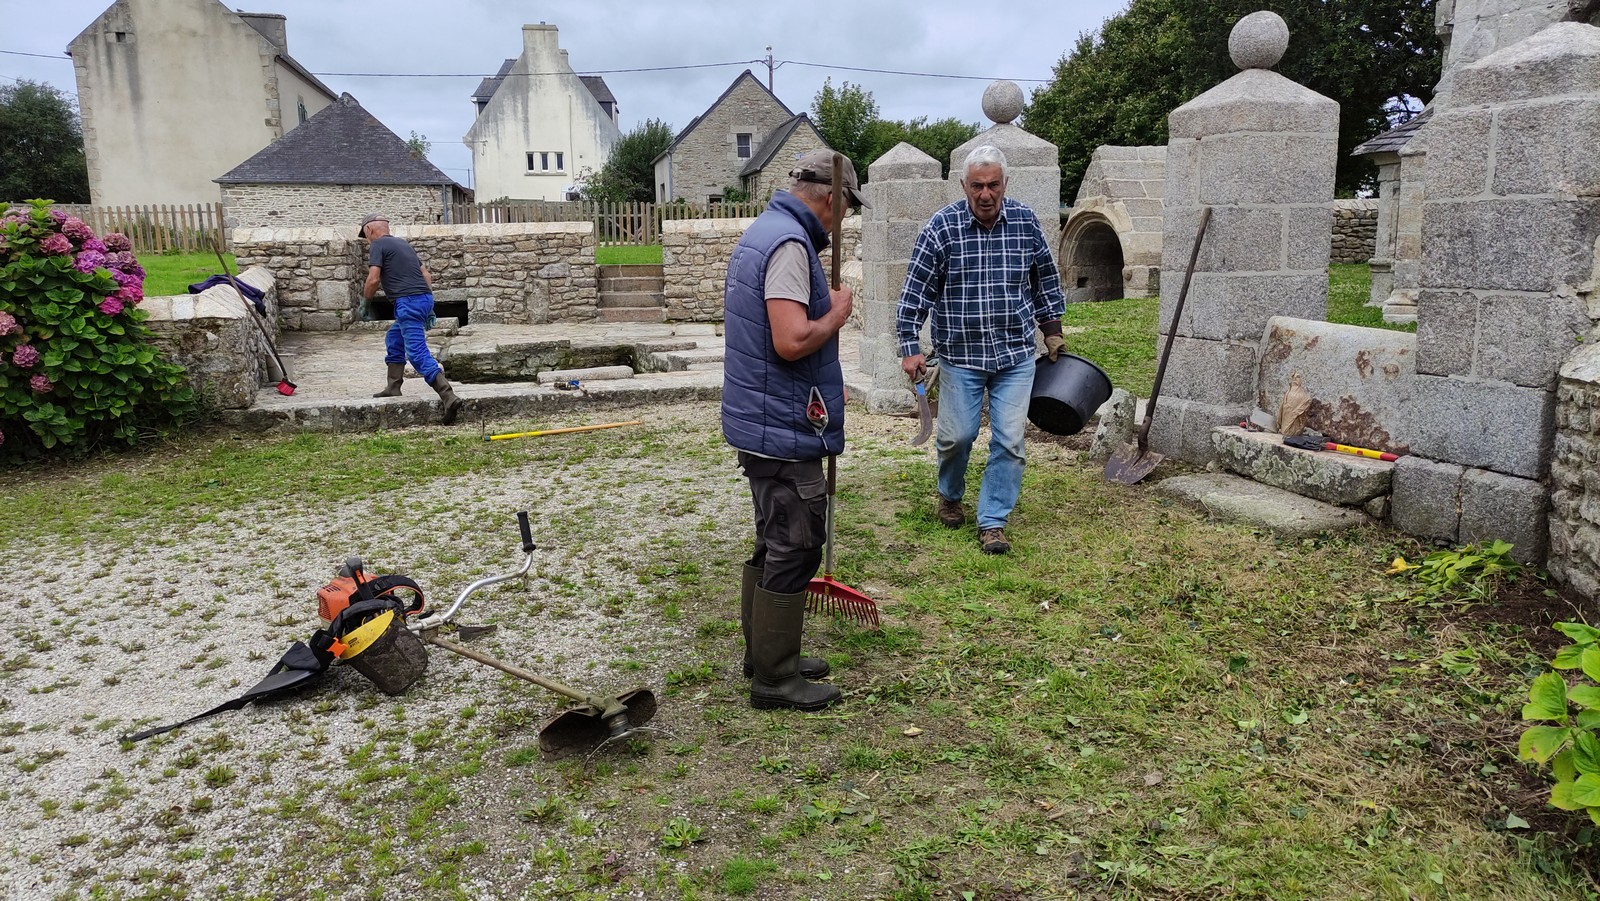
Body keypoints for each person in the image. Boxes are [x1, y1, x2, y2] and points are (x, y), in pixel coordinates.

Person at [721, 149, 867, 711]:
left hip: (766, 417)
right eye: (847, 208)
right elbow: (789, 339)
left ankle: (765, 655)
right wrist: (835, 312)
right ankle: (775, 679)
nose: (843, 219)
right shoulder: (788, 245)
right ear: (831, 197)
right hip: (780, 423)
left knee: (774, 538)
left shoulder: (768, 230)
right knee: (796, 543)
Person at [895, 145, 1067, 555]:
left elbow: (1045, 280)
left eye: (993, 185)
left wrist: (1053, 331)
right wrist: (909, 346)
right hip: (961, 355)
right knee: (958, 436)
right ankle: (950, 495)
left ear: (1005, 184)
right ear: (964, 186)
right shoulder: (941, 227)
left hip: (1014, 354)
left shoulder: (1025, 223)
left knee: (1010, 441)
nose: (985, 194)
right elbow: (915, 292)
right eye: (977, 186)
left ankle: (992, 521)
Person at [359, 214, 462, 424]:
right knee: (394, 338)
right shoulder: (403, 244)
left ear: (369, 230)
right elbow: (426, 276)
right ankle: (393, 387)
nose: (367, 239)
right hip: (423, 298)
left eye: (365, 235)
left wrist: (365, 303)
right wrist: (430, 307)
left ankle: (447, 395)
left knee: (416, 352)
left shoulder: (378, 245)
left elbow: (373, 279)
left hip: (407, 302)